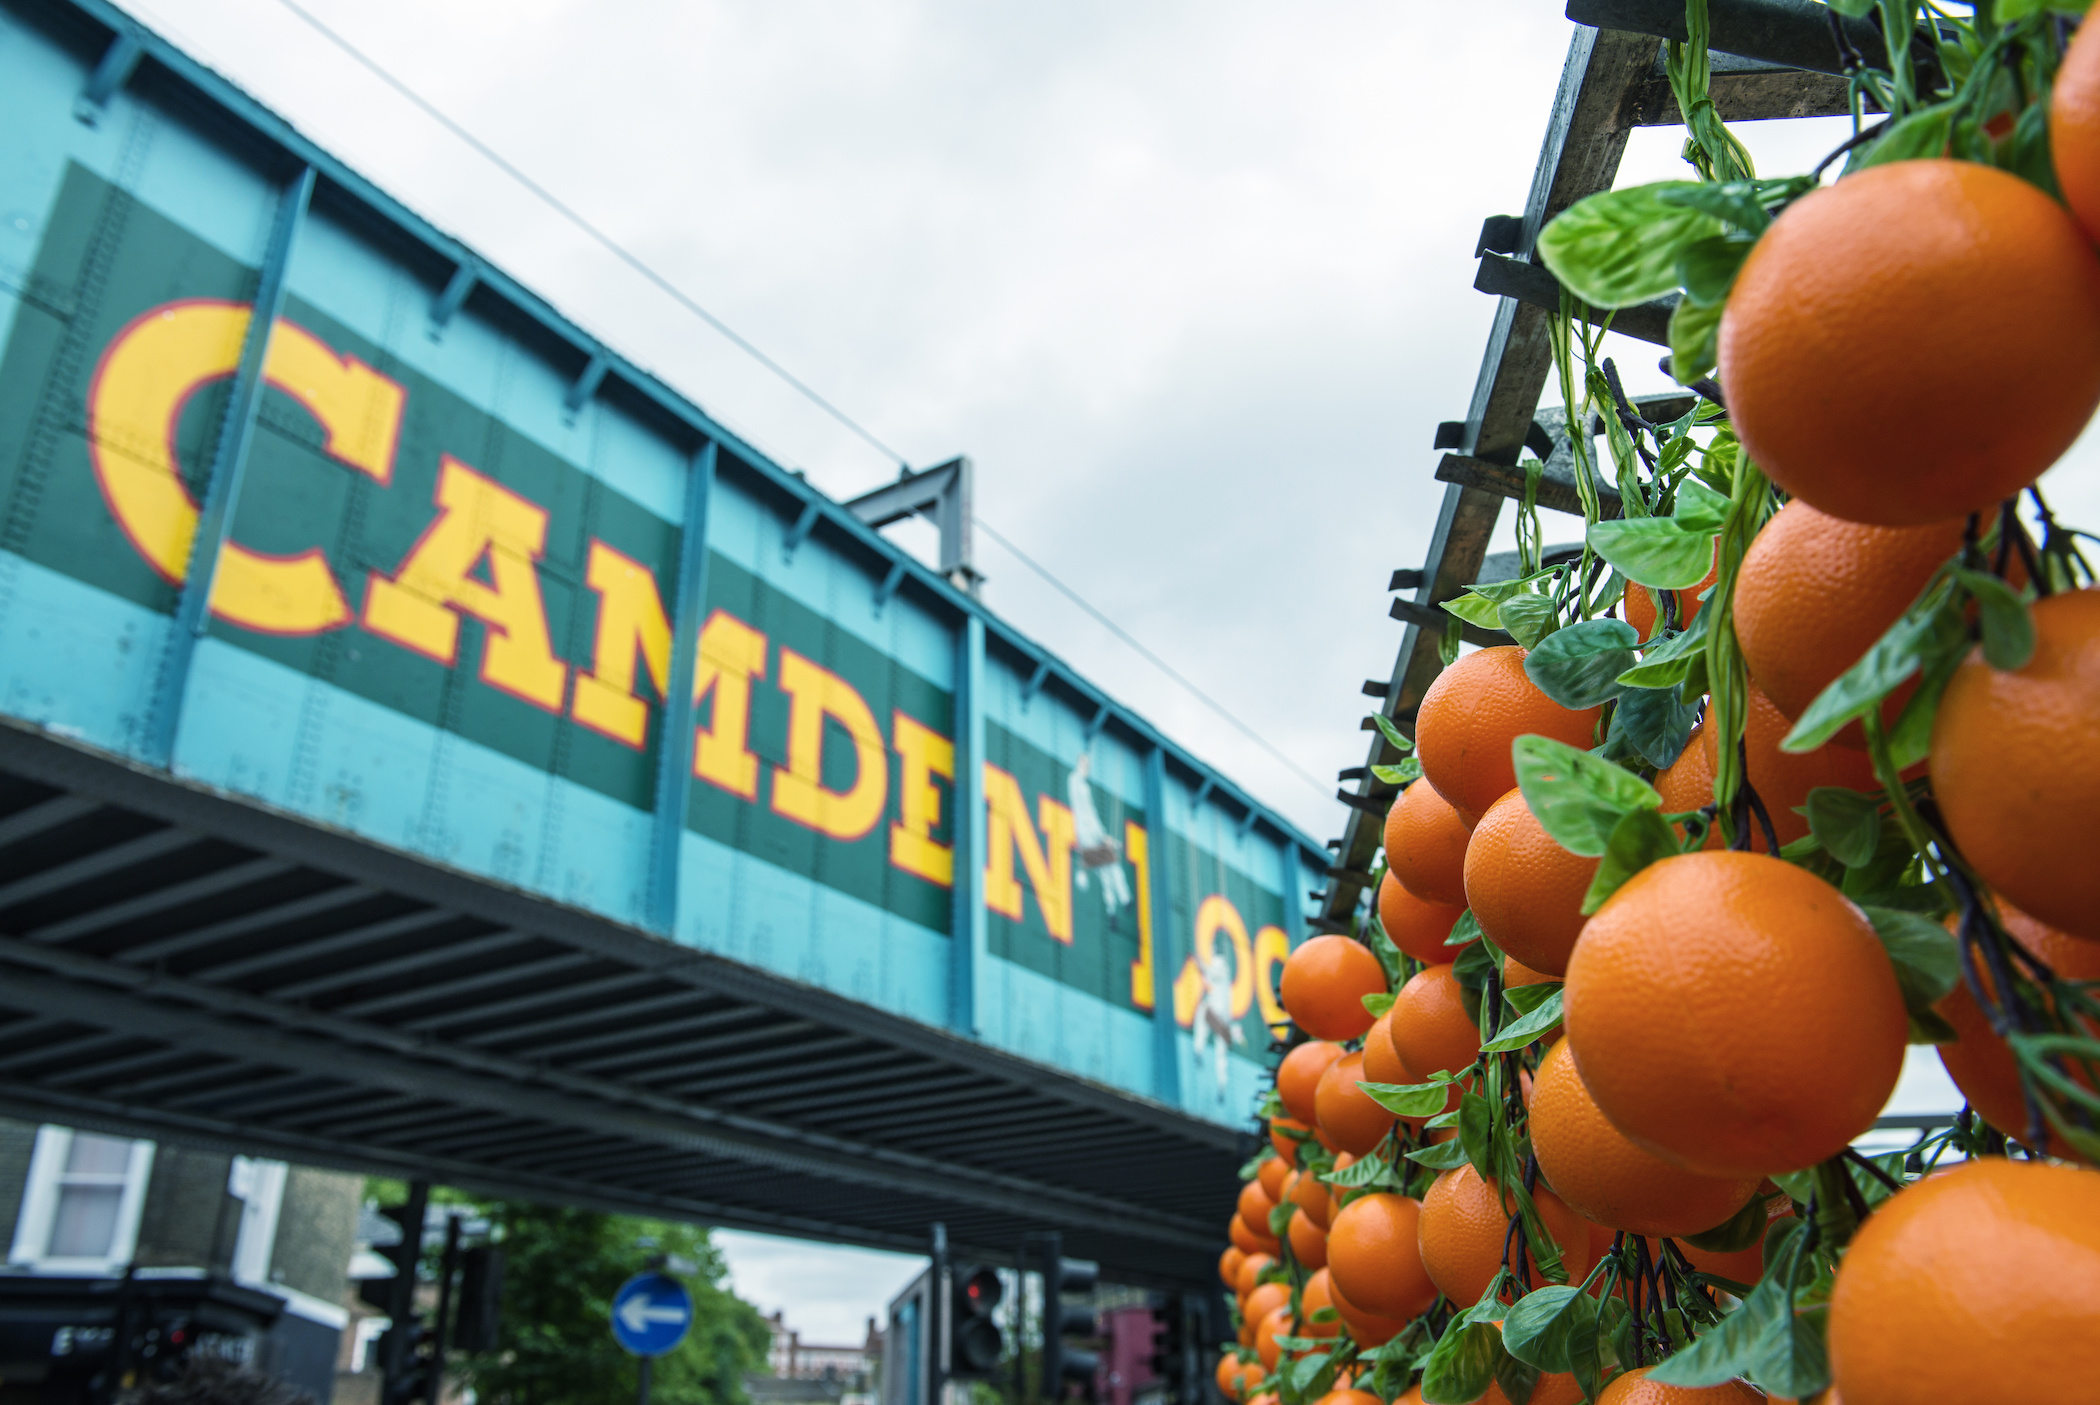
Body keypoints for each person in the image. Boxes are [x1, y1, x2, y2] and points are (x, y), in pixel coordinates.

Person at [1066, 751, 1131, 919]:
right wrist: (1104, 838)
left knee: (1108, 873)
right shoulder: (1075, 782)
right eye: (1084, 764)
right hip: (1089, 836)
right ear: (1079, 763)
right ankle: (1121, 901)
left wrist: (1104, 837)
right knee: (1111, 870)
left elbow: (1091, 815)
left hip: (1090, 836)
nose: (1087, 768)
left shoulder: (1082, 786)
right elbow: (1088, 815)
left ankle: (1114, 907)